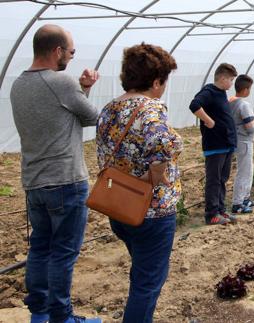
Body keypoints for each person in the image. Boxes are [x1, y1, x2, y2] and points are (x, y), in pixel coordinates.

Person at [10, 24, 101, 323]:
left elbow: (57, 116)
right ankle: (62, 317)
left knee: (40, 247)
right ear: (57, 51)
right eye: (71, 52)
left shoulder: (18, 84)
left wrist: (82, 88)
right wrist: (83, 88)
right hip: (66, 180)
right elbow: (92, 117)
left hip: (35, 182)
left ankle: (39, 313)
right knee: (63, 253)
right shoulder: (62, 82)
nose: (72, 58)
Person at [96, 43, 181, 323]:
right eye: (164, 81)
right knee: (147, 284)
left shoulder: (110, 109)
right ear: (156, 81)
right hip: (151, 210)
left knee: (142, 274)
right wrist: (148, 179)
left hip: (118, 205)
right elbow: (162, 147)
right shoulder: (151, 108)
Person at [189, 63, 238, 225]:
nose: (231, 84)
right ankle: (211, 214)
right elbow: (194, 105)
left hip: (226, 143)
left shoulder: (221, 93)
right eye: (230, 80)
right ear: (222, 78)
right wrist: (208, 121)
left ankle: (220, 209)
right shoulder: (209, 91)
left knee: (222, 178)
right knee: (214, 179)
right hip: (215, 144)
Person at [229, 75, 254, 214]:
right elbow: (251, 127)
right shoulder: (244, 104)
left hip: (236, 139)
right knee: (244, 171)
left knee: (248, 169)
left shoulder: (230, 102)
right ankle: (238, 203)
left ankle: (245, 198)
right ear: (246, 89)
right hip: (244, 140)